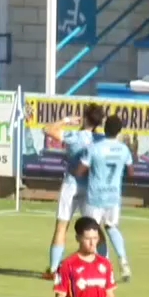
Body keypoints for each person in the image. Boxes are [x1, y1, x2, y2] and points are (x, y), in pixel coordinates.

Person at [42, 103, 106, 279]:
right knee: (95, 229)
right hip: (91, 187)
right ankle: (102, 266)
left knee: (62, 226)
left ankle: (54, 270)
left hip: (71, 184)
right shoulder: (100, 140)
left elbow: (47, 129)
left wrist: (66, 120)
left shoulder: (75, 136)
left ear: (85, 118)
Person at [76, 115, 134, 281]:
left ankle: (105, 268)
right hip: (113, 196)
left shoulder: (95, 148)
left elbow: (80, 171)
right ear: (119, 131)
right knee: (111, 227)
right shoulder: (123, 149)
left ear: (104, 128)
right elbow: (131, 172)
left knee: (93, 232)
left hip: (95, 196)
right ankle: (123, 260)